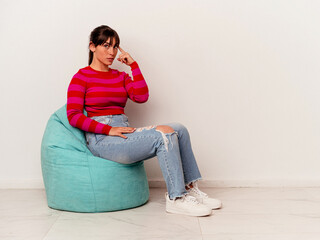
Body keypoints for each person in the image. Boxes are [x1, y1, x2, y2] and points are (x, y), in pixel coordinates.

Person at [66, 25, 221, 217]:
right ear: (92, 46)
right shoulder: (81, 77)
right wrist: (108, 130)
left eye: (115, 47)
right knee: (162, 135)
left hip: (123, 131)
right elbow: (73, 116)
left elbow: (141, 96)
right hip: (102, 140)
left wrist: (133, 66)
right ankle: (176, 198)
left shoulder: (120, 76)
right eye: (106, 46)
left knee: (179, 129)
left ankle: (190, 188)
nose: (112, 52)